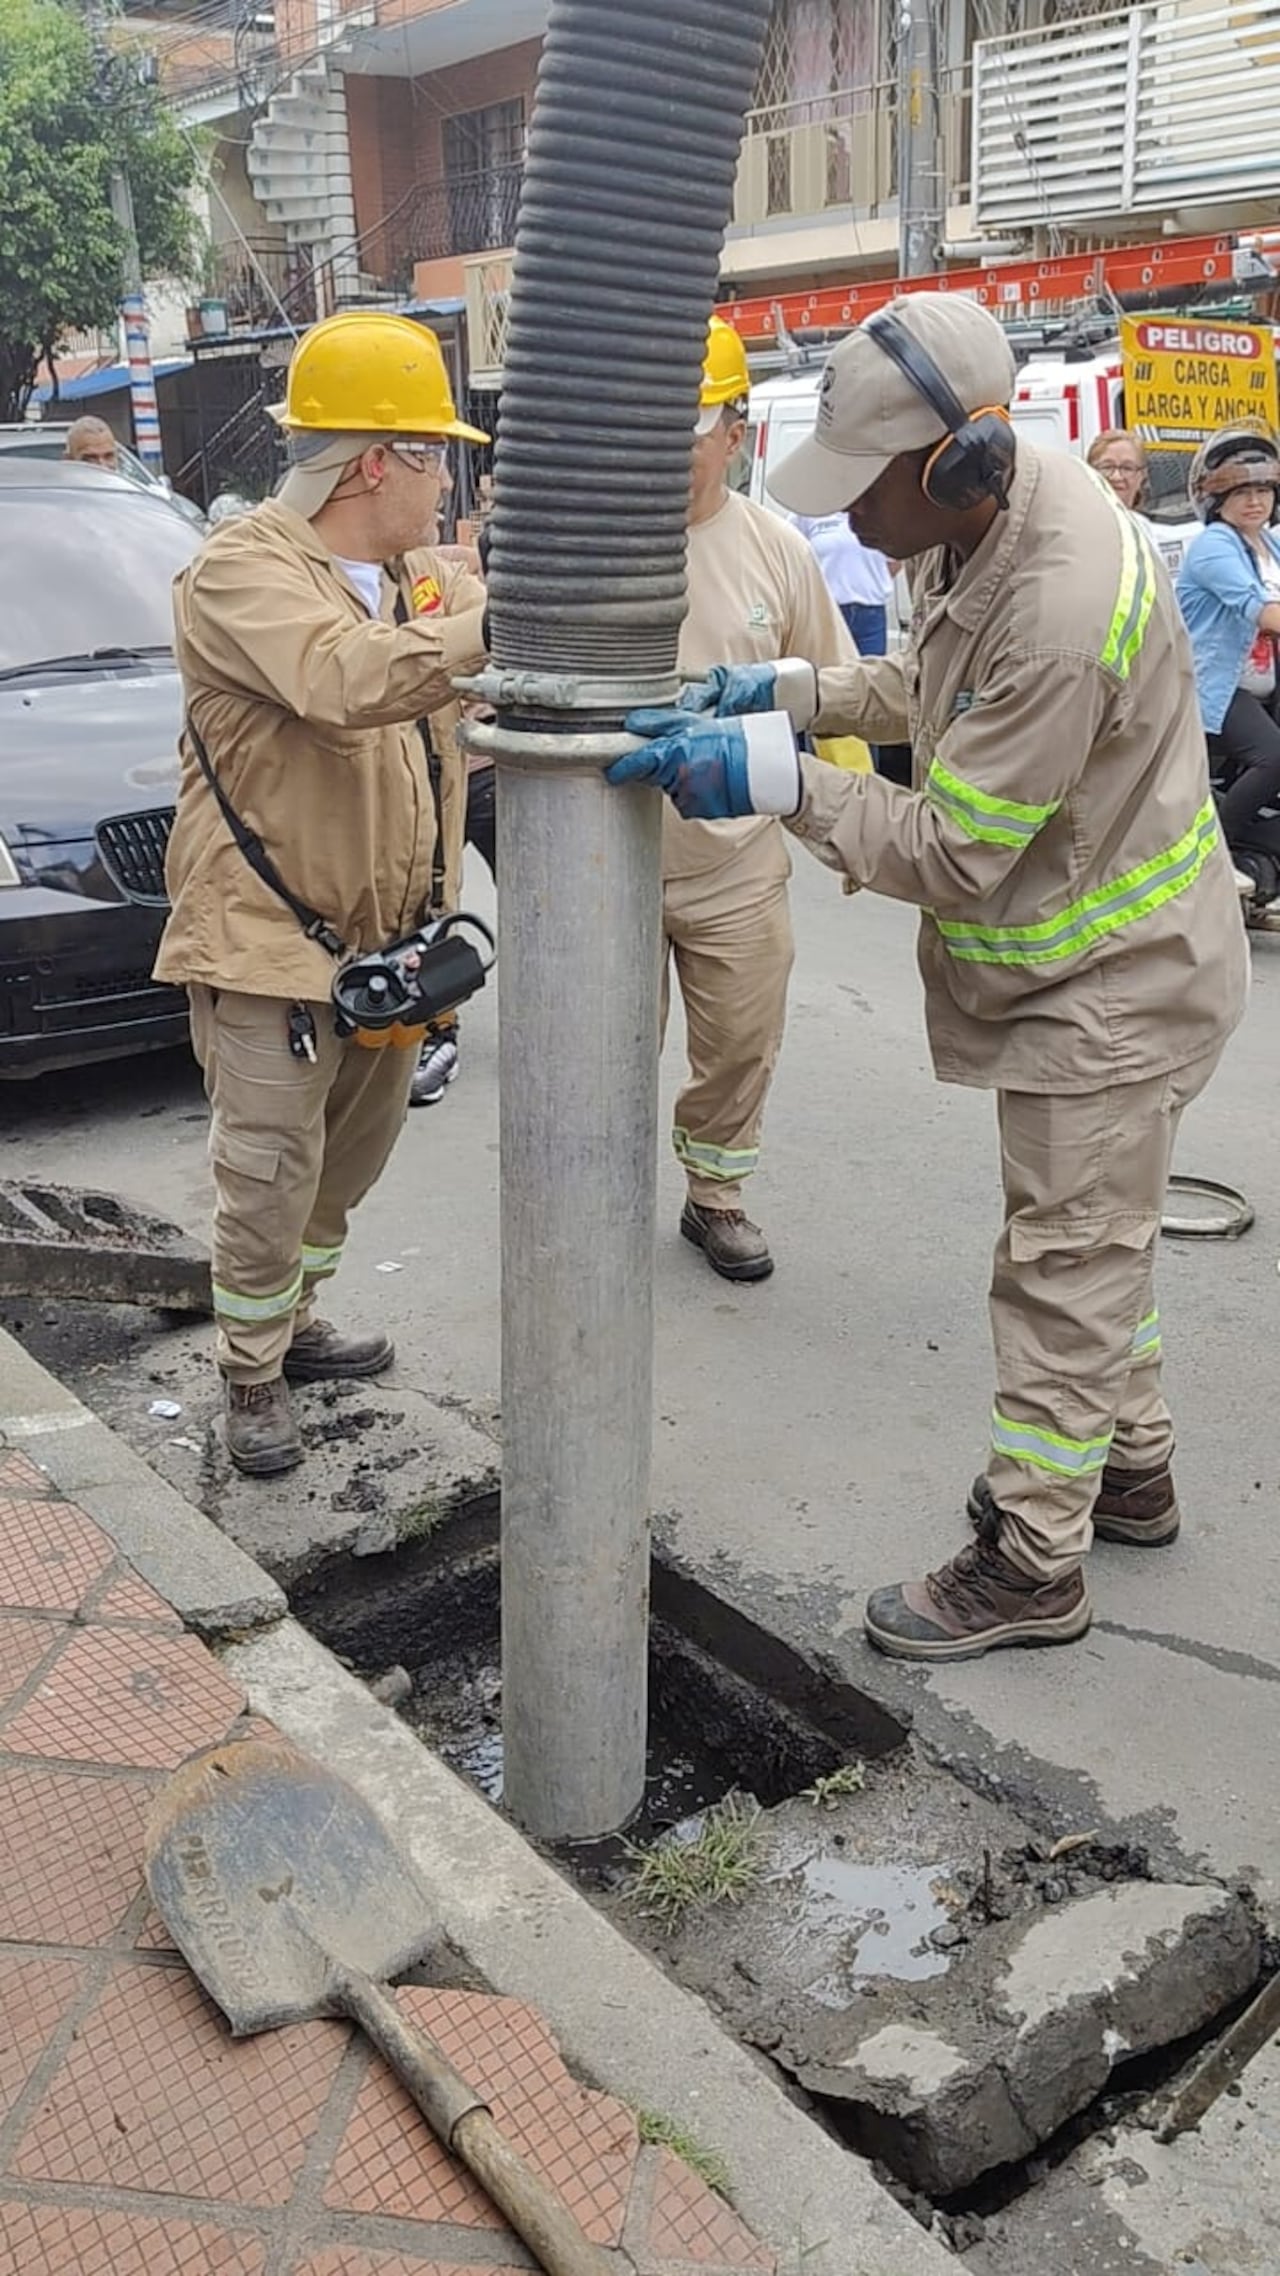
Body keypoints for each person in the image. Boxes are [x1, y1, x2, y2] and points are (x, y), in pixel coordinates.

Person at [610, 293, 1247, 1660]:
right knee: (1098, 1244)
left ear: (952, 464)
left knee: (1062, 1269)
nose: (849, 522)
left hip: (1115, 985)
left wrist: (777, 786)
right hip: (1089, 965)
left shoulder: (1064, 594)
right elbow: (934, 688)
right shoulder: (998, 515)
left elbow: (955, 849)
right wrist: (794, 696)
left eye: (862, 491)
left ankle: (1034, 1564)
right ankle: (1129, 1476)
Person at [154, 311, 489, 1479]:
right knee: (267, 1170)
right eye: (435, 451)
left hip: (381, 944)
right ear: (372, 463)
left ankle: (294, 1322)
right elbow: (342, 683)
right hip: (266, 943)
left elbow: (436, 735)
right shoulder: (242, 568)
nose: (447, 473)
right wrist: (488, 627)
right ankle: (250, 1371)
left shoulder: (404, 576)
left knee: (348, 1158)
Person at [662, 315, 857, 1282]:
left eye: (689, 425)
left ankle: (716, 1194)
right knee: (599, 1051)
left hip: (734, 857)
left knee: (740, 1038)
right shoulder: (592, 544)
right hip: (603, 857)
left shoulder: (778, 551)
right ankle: (596, 1190)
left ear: (734, 433)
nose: (668, 447)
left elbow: (842, 687)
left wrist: (857, 826)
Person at [1175, 427, 1280, 908]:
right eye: (1241, 491)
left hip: (1259, 686)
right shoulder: (1215, 545)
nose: (1255, 501)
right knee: (1273, 757)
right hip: (1212, 688)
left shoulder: (1268, 545)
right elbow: (1259, 609)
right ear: (1216, 498)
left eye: (1262, 489)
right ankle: (1213, 850)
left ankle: (1261, 855)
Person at [1086, 429, 1186, 577]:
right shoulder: (1079, 526)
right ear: (1090, 471)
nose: (1116, 476)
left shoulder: (1143, 527)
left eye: (1127, 468)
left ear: (1142, 476)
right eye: (1107, 467)